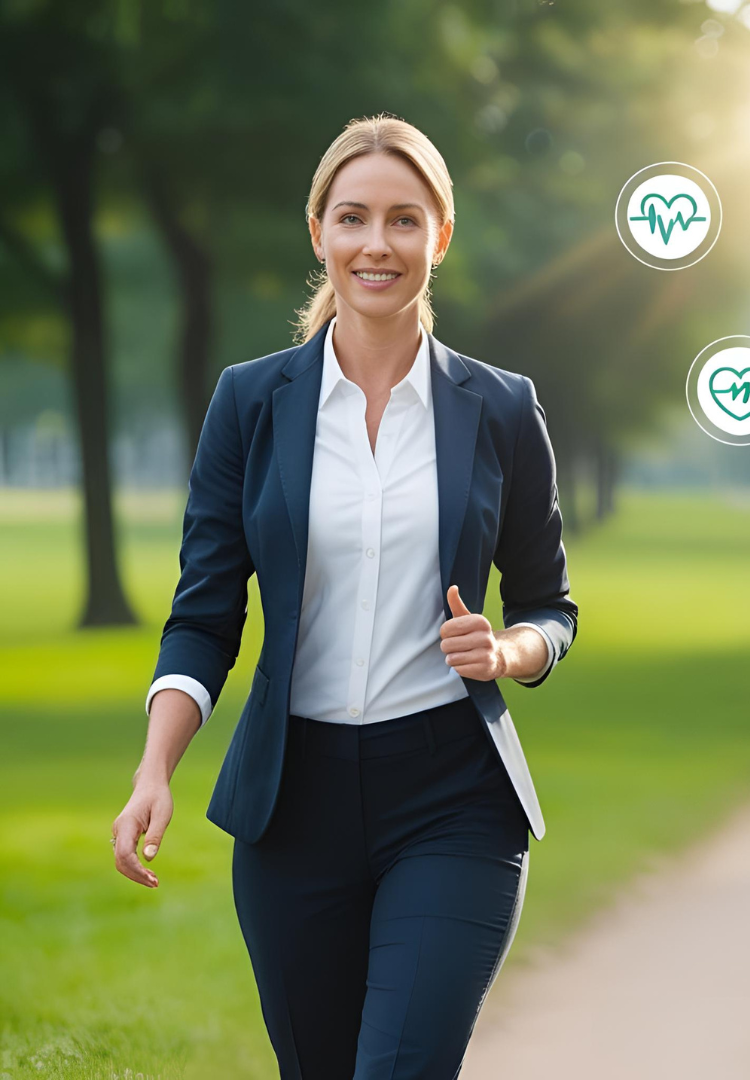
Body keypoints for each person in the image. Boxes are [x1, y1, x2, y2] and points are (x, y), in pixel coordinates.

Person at [111, 112, 578, 1079]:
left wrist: (508, 651)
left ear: (440, 238)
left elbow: (550, 604)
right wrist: (155, 769)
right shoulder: (251, 403)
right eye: (355, 218)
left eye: (405, 221)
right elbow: (204, 614)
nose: (378, 244)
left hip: (453, 795)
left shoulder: (500, 408)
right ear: (318, 231)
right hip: (293, 806)